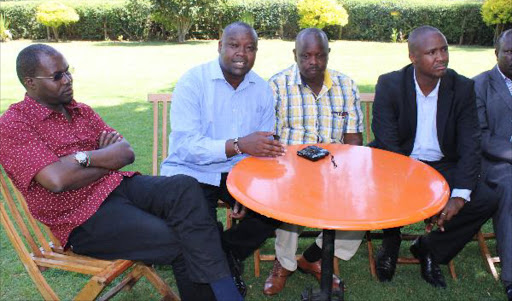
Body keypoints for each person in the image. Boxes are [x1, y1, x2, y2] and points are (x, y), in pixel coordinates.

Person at [0, 44, 243, 301]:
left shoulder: (80, 111)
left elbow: (126, 153)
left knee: (184, 186)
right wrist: (104, 159)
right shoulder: (14, 124)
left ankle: (224, 289)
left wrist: (80, 159)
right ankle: (229, 294)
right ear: (30, 83)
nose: (68, 80)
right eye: (57, 76)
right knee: (181, 240)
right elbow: (56, 180)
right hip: (81, 219)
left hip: (118, 187)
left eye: (68, 72)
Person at [160, 22, 286, 296]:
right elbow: (186, 146)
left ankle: (225, 252)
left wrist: (245, 188)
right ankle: (217, 262)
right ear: (219, 46)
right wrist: (239, 145)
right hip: (191, 173)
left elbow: (263, 148)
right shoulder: (193, 81)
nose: (242, 53)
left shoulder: (261, 89)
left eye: (250, 47)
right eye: (234, 45)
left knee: (276, 207)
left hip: (237, 173)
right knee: (197, 228)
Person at [371, 25, 498, 288]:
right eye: (431, 52)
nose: (441, 57)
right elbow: (388, 143)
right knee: (381, 185)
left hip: (443, 164)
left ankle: (430, 248)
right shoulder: (390, 84)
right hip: (398, 161)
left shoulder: (461, 87)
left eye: (444, 49)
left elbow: (470, 144)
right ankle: (391, 242)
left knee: (485, 198)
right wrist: (424, 197)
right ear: (413, 57)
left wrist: (458, 197)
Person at [263, 28, 365, 295]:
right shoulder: (277, 85)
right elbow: (269, 137)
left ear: (328, 54)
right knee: (288, 198)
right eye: (306, 55)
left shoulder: (346, 85)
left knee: (363, 205)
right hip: (290, 169)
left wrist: (346, 174)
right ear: (295, 55)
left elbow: (353, 138)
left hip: (334, 170)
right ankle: (284, 263)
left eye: (319, 55)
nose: (313, 62)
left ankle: (315, 257)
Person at [473, 28, 512, 301]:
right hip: (494, 165)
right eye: (509, 51)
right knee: (510, 190)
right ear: (496, 53)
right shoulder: (480, 85)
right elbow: (481, 135)